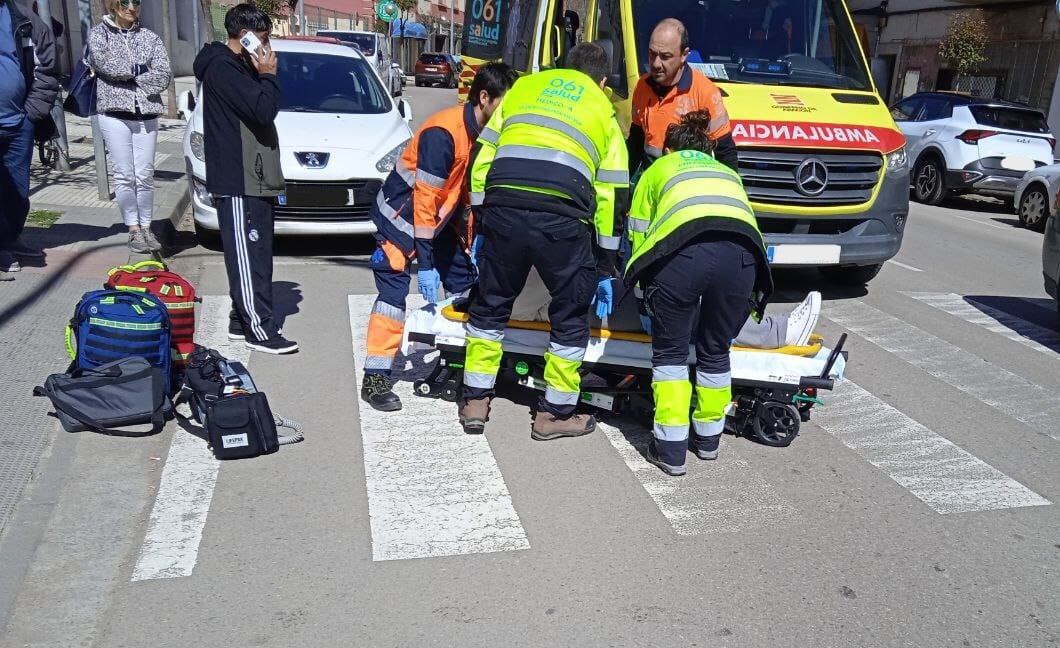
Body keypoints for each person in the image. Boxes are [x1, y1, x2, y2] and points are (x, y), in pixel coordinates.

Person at [459, 42, 629, 440]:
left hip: (504, 206)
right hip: (562, 217)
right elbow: (612, 191)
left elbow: (482, 156)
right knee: (569, 315)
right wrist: (606, 262)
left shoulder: (524, 87)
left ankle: (475, 400)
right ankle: (554, 414)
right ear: (603, 81)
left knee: (491, 303)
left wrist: (483, 223)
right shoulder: (602, 106)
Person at [360, 62, 518, 412]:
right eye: (505, 104)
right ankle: (375, 377)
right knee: (392, 298)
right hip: (401, 222)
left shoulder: (482, 134)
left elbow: (464, 193)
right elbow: (425, 199)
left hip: (437, 224)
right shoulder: (442, 133)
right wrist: (427, 263)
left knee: (466, 289)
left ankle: (461, 360)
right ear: (484, 97)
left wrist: (473, 239)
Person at [625, 111, 773, 477]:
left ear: (669, 149)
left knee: (671, 356)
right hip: (743, 258)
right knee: (715, 350)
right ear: (708, 151)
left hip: (683, 257)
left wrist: (642, 292)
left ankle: (670, 450)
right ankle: (709, 441)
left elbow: (639, 233)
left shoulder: (658, 169)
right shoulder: (727, 173)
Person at [193, 4, 296, 354]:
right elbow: (263, 109)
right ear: (245, 36)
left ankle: (241, 320)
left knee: (258, 254)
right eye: (263, 39)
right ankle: (259, 329)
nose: (267, 47)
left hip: (254, 176)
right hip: (238, 178)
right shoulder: (223, 68)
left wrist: (260, 71)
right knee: (248, 258)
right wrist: (267, 74)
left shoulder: (238, 66)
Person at [89, 0, 172, 254]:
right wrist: (141, 68)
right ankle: (133, 228)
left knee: (144, 174)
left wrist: (130, 74)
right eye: (125, 2)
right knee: (124, 174)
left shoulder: (150, 37)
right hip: (114, 115)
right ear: (114, 5)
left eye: (136, 2)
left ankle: (146, 226)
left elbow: (163, 75)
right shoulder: (99, 34)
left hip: (146, 114)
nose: (131, 7)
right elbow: (105, 66)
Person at [626, 18, 737, 175]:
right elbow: (636, 141)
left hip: (689, 181)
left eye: (665, 56)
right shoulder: (642, 86)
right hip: (652, 177)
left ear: (684, 55)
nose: (656, 63)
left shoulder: (705, 92)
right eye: (652, 54)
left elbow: (725, 153)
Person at [0, 0, 57, 275]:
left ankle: (8, 238)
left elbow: (47, 67)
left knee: (17, 192)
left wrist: (31, 114)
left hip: (17, 122)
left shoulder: (22, 18)